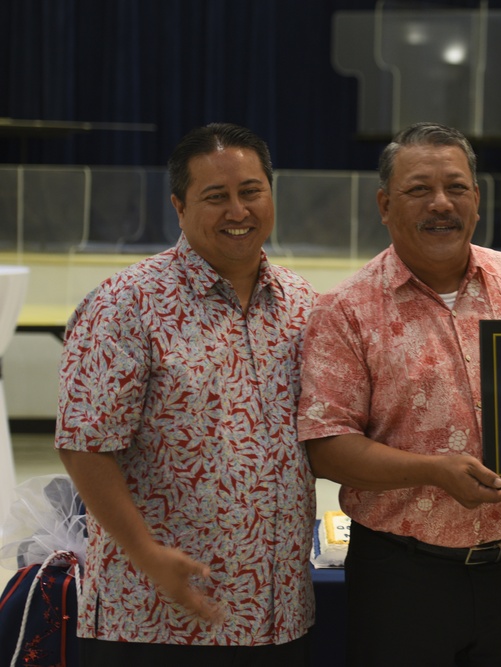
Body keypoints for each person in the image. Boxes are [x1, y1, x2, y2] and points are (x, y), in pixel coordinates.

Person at [297, 121, 501, 667]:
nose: (440, 203)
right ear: (384, 204)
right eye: (418, 189)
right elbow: (327, 447)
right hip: (401, 578)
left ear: (477, 199)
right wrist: (432, 471)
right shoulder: (346, 311)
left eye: (456, 187)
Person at [56, 123, 316, 666]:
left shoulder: (303, 304)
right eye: (215, 197)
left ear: (271, 193)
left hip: (278, 616)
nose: (238, 211)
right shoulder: (126, 304)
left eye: (251, 192)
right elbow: (83, 445)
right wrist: (147, 555)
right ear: (179, 206)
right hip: (156, 620)